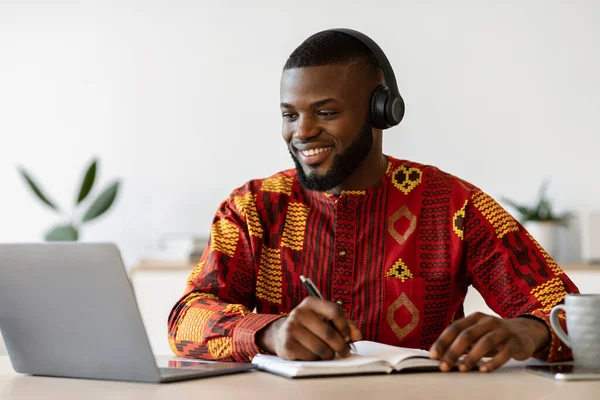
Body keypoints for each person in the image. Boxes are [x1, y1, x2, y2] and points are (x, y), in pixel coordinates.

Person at [167, 29, 578, 373]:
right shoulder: (252, 207)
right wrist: (269, 332)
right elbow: (185, 320)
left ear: (381, 111)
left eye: (325, 113)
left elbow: (571, 315)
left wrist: (528, 331)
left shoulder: (455, 205)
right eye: (290, 115)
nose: (302, 132)